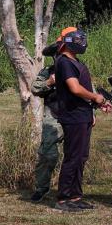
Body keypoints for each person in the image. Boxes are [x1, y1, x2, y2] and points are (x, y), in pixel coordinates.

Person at [54, 27, 111, 212]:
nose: (82, 42)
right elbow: (75, 89)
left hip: (82, 115)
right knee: (73, 157)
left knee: (81, 157)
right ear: (68, 41)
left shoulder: (74, 62)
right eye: (78, 39)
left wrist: (95, 105)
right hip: (73, 116)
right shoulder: (64, 62)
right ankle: (63, 199)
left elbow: (82, 91)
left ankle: (76, 196)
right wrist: (95, 97)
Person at [30, 41, 63, 202]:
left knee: (76, 156)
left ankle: (69, 189)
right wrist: (49, 82)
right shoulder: (48, 72)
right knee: (47, 154)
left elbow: (89, 92)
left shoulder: (79, 69)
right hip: (53, 116)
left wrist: (92, 113)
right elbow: (35, 88)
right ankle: (41, 187)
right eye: (57, 55)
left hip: (76, 117)